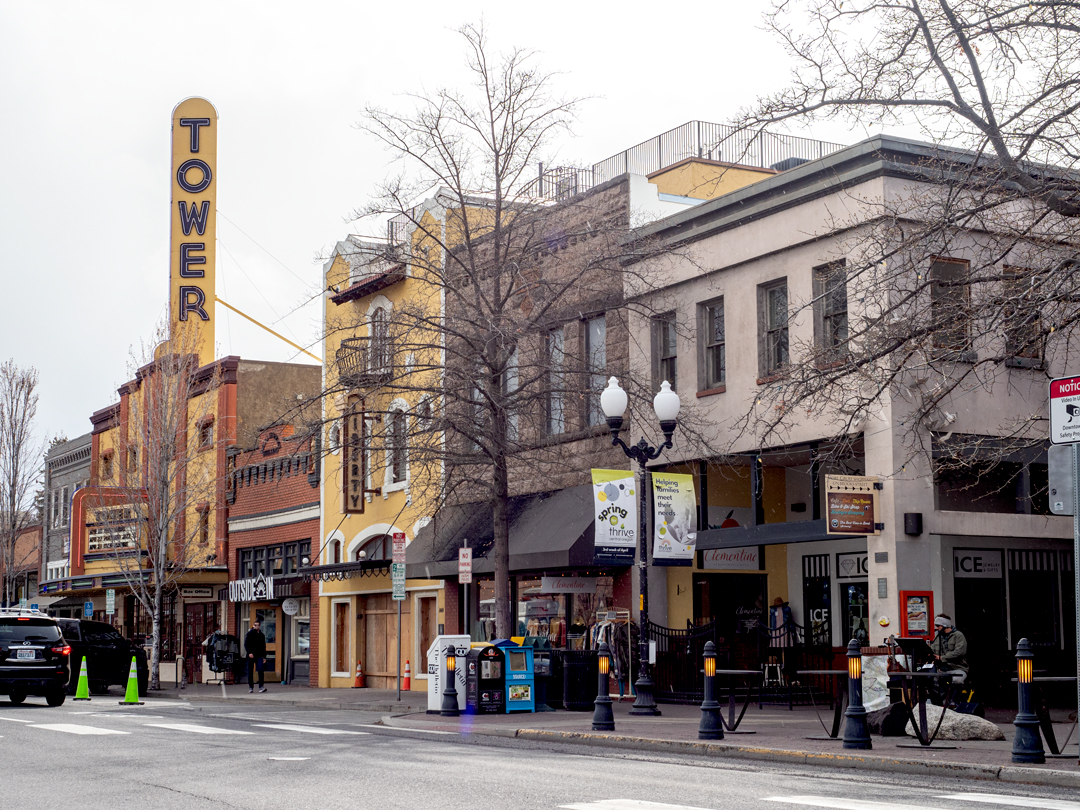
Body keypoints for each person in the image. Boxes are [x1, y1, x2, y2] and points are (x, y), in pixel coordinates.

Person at [926, 613, 968, 704]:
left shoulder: (958, 636)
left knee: (957, 680)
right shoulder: (938, 637)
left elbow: (960, 652)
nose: (936, 628)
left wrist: (942, 658)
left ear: (945, 625)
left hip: (958, 668)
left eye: (938, 626)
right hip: (942, 669)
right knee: (930, 679)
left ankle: (954, 703)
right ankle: (941, 702)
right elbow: (932, 650)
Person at [244, 621, 267, 693]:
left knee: (260, 670)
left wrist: (264, 657)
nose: (256, 626)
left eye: (257, 625)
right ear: (253, 626)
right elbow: (246, 644)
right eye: (255, 625)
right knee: (250, 671)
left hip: (259, 655)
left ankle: (261, 686)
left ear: (259, 626)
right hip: (251, 655)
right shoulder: (249, 634)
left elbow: (263, 646)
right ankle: (251, 687)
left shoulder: (261, 635)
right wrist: (249, 652)